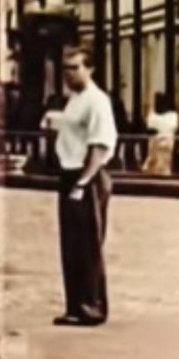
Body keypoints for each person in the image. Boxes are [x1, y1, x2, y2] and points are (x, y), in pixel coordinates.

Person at [51, 46, 116, 327]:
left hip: (85, 177)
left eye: (75, 68)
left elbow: (99, 146)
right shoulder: (74, 99)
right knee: (71, 245)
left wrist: (83, 182)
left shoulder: (97, 101)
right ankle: (75, 306)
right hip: (70, 174)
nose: (68, 74)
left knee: (88, 245)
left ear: (90, 69)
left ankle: (92, 307)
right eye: (65, 68)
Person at [141, 92, 179, 175]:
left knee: (162, 163)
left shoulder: (171, 116)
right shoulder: (172, 116)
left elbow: (151, 128)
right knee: (157, 163)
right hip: (158, 143)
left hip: (164, 142)